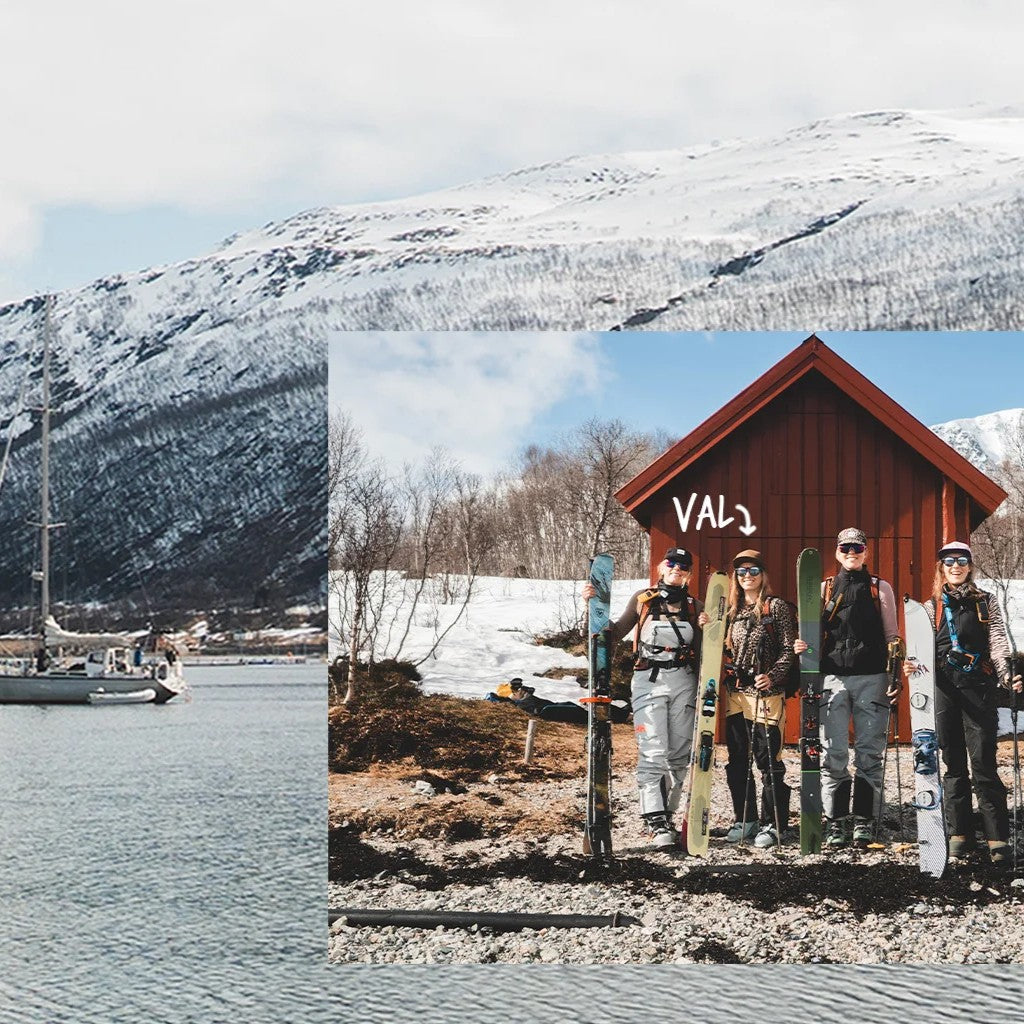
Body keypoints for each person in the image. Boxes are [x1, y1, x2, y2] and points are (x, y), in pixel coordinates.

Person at [582, 547, 702, 849]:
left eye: (683, 565)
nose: (677, 568)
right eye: (672, 563)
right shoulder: (643, 600)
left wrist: (709, 624)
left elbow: (707, 650)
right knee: (653, 749)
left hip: (684, 680)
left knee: (678, 753)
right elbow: (611, 633)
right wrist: (593, 607)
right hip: (649, 680)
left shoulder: (694, 605)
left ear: (689, 573)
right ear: (662, 567)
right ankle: (654, 819)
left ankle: (669, 814)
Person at [915, 541, 1023, 867]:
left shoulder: (985, 602)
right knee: (953, 762)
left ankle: (997, 837)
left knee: (984, 762)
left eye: (962, 561)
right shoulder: (929, 607)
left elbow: (998, 643)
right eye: (949, 561)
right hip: (945, 690)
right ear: (941, 567)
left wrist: (1008, 676)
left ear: (970, 565)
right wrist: (912, 667)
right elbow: (919, 654)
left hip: (979, 690)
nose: (956, 566)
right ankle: (960, 833)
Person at [794, 527, 902, 849]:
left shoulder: (879, 588)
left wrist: (894, 678)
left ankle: (865, 821)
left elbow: (892, 638)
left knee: (869, 752)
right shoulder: (825, 588)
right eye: (845, 547)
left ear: (866, 551)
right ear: (837, 552)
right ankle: (837, 820)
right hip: (833, 678)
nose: (851, 552)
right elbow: (810, 632)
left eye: (857, 547)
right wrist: (802, 647)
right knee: (834, 752)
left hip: (872, 679)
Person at [707, 549, 796, 849]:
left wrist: (772, 675)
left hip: (767, 694)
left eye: (753, 571)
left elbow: (788, 649)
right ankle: (745, 819)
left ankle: (774, 824)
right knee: (737, 760)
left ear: (763, 575)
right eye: (742, 572)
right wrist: (705, 624)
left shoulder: (776, 607)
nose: (747, 576)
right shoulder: (730, 612)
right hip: (736, 695)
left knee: (768, 760)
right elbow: (715, 645)